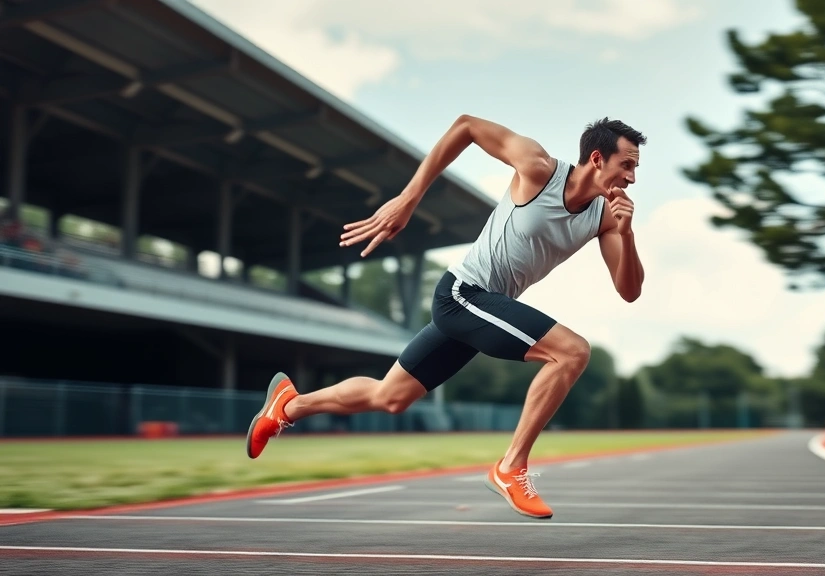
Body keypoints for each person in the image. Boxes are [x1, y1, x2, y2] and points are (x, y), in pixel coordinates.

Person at [246, 115, 646, 519]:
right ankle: (511, 467)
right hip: (463, 294)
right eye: (626, 164)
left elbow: (629, 291)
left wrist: (626, 235)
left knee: (390, 397)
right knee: (571, 352)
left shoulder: (606, 217)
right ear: (598, 158)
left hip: (482, 310)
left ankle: (288, 406)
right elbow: (466, 126)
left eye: (635, 168)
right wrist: (409, 199)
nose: (631, 177)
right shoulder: (538, 167)